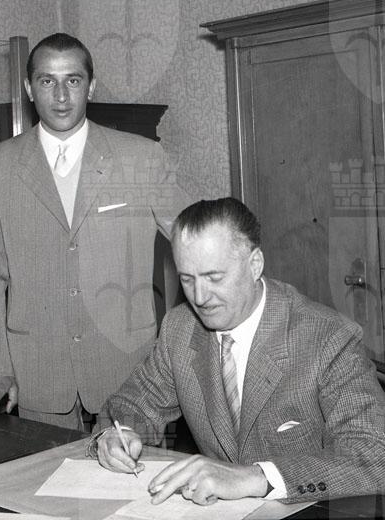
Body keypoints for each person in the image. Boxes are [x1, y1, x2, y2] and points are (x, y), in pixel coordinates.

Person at [91, 197, 385, 504]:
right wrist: (117, 435)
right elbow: (133, 404)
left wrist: (256, 478)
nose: (199, 297)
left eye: (214, 277)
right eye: (187, 279)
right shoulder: (179, 328)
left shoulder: (328, 337)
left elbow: (375, 455)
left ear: (255, 265)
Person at [0, 32, 187, 430]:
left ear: (92, 86)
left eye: (73, 80)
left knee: (132, 471)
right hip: (38, 374)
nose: (61, 95)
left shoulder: (140, 157)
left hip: (128, 371)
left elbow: (196, 242)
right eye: (46, 81)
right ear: (28, 89)